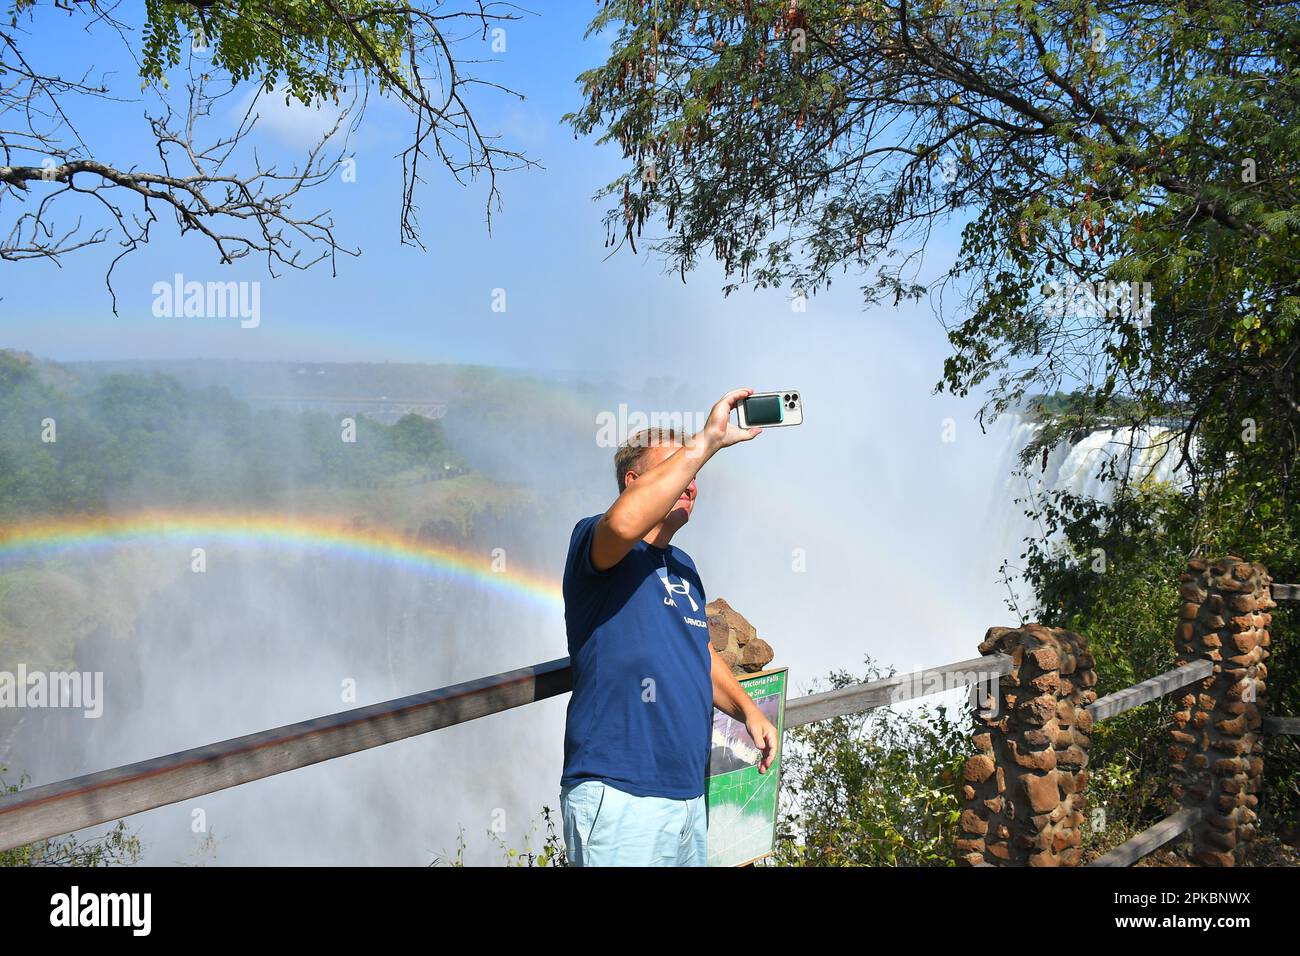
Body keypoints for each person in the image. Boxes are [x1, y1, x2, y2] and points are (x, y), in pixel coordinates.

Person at [559, 387, 779, 867]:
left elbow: (696, 654)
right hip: (618, 791)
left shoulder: (683, 567)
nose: (692, 480)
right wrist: (707, 441)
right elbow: (622, 527)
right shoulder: (598, 541)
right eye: (678, 467)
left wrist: (747, 709)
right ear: (634, 481)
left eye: (695, 472)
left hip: (683, 794)